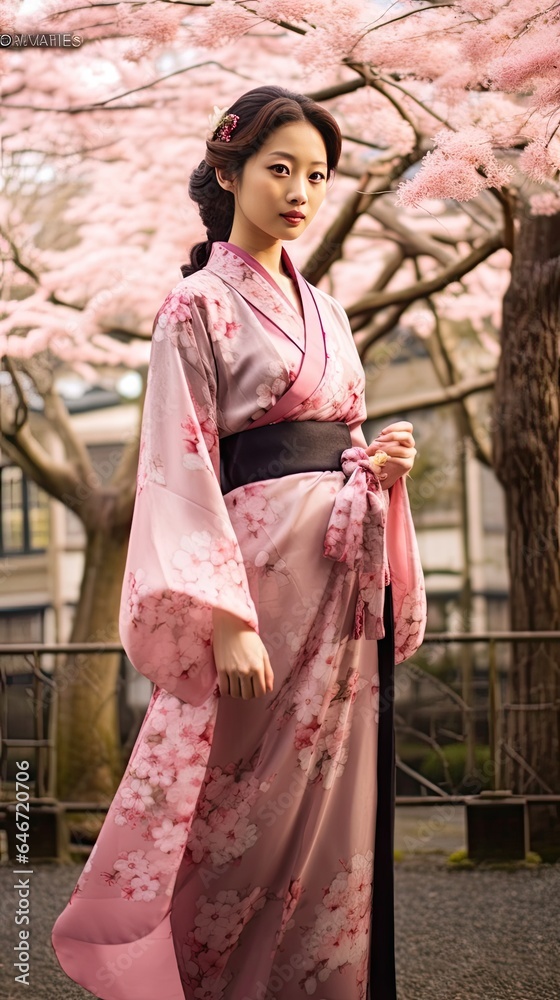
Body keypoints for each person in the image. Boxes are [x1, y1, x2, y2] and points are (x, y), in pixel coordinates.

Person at [52, 85, 427, 1000]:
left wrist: (381, 462)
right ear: (229, 171)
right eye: (280, 167)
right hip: (252, 592)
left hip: (338, 588)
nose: (301, 189)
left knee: (332, 808)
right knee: (229, 808)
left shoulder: (331, 313)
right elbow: (176, 467)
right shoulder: (194, 305)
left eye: (318, 174)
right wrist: (221, 618)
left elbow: (341, 434)